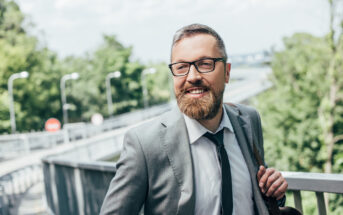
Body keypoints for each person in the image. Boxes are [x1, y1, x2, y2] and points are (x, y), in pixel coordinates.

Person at [100, 23, 288, 215]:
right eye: (181, 67)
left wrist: (273, 192)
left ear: (227, 72)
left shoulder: (248, 120)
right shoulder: (144, 144)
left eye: (205, 64)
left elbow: (252, 198)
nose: (192, 76)